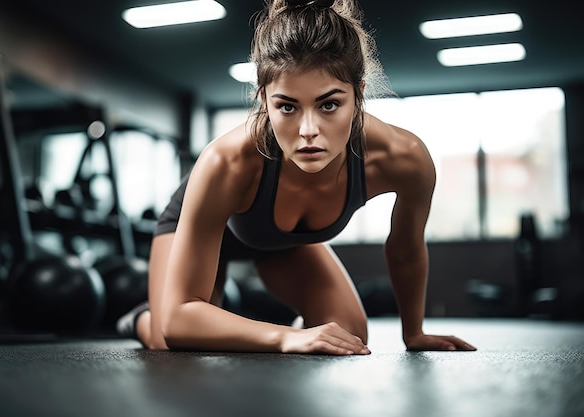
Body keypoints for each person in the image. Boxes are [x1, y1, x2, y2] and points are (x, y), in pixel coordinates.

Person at [117, 0, 476, 355]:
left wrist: (413, 333)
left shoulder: (403, 157)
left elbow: (406, 250)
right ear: (264, 99)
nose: (308, 131)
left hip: (278, 242)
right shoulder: (225, 161)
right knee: (171, 338)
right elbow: (181, 318)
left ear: (358, 95)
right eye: (287, 106)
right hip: (197, 227)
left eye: (329, 104)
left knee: (347, 334)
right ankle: (140, 318)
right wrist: (286, 337)